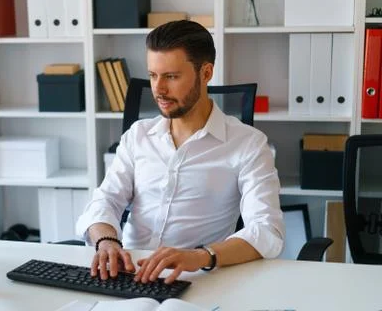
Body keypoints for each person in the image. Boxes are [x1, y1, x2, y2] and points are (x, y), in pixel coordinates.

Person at [76, 20, 284, 284]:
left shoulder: (248, 144)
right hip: (126, 275)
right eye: (153, 75)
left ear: (206, 73)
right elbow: (105, 201)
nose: (158, 89)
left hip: (193, 280)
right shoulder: (138, 136)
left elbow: (267, 231)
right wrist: (106, 241)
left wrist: (199, 256)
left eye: (171, 77)